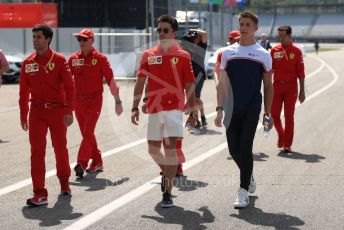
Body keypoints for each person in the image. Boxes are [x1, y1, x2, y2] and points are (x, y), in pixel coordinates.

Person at [131, 15, 196, 208]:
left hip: (174, 109)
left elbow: (189, 84)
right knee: (152, 150)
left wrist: (192, 112)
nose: (161, 33)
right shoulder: (148, 54)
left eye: (165, 30)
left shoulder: (183, 55)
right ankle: (168, 173)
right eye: (159, 30)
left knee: (170, 151)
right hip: (154, 109)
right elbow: (141, 81)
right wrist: (135, 107)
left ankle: (167, 192)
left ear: (174, 33)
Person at [215, 11, 273, 209]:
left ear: (255, 28)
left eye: (248, 24)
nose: (243, 27)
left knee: (245, 147)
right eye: (241, 23)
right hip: (231, 108)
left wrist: (268, 112)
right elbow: (222, 83)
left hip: (252, 106)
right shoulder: (228, 53)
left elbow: (268, 85)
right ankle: (248, 176)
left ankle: (242, 191)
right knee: (234, 149)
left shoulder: (263, 54)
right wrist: (219, 108)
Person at [19, 24, 76, 206]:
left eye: (38, 37)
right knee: (36, 152)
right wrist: (23, 114)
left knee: (60, 148)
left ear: (48, 39)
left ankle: (64, 183)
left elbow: (69, 87)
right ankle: (40, 192)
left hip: (57, 111)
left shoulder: (59, 60)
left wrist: (69, 111)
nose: (35, 40)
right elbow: (23, 92)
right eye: (33, 37)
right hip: (36, 112)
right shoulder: (28, 63)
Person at [68, 29, 123, 178]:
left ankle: (81, 163)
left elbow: (111, 80)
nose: (81, 42)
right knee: (87, 134)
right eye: (79, 39)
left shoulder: (100, 59)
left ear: (92, 41)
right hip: (78, 101)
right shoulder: (73, 59)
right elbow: (65, 82)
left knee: (87, 132)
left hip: (94, 100)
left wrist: (118, 101)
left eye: (84, 39)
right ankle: (97, 161)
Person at [270, 25, 305, 153]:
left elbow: (301, 73)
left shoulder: (296, 51)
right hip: (277, 86)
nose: (281, 39)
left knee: (289, 116)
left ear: (290, 36)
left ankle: (287, 144)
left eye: (283, 36)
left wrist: (302, 91)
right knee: (274, 115)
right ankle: (281, 134)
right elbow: (269, 71)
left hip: (291, 87)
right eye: (279, 36)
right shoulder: (274, 50)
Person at [181, 28, 208, 128]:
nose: (195, 39)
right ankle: (200, 118)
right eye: (194, 37)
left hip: (199, 74)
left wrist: (192, 30)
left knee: (195, 98)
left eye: (196, 37)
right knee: (195, 98)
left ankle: (199, 119)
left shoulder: (201, 46)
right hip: (190, 75)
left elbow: (204, 33)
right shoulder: (187, 46)